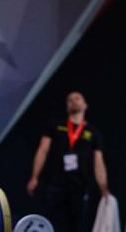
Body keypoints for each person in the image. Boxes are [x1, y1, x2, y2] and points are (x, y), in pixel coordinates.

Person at [27, 91, 109, 232]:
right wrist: (34, 177)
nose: (73, 101)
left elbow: (99, 162)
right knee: (51, 224)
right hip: (55, 184)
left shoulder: (93, 133)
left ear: (85, 105)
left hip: (80, 187)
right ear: (66, 106)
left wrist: (104, 188)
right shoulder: (55, 126)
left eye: (77, 98)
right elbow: (42, 150)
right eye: (69, 99)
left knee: (76, 226)